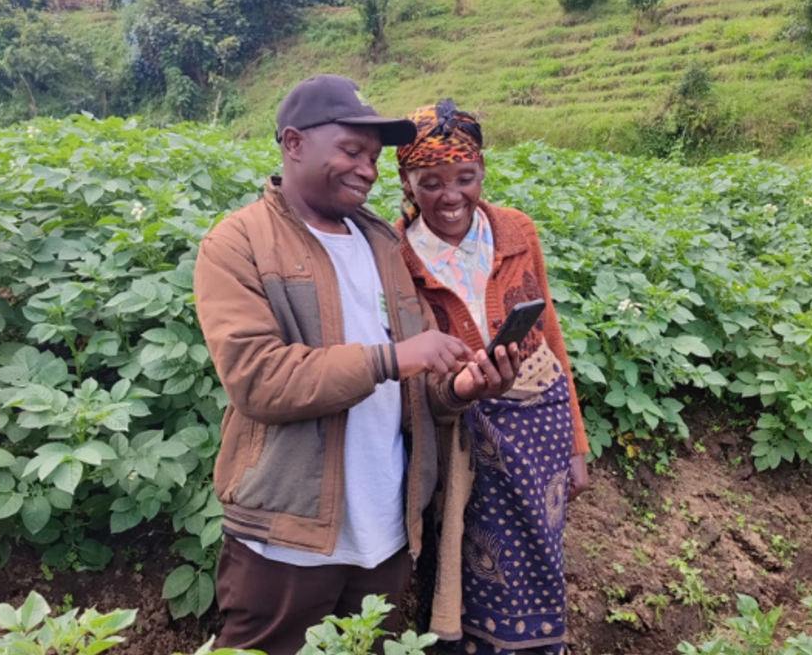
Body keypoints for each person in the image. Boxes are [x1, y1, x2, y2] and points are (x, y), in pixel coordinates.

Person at [192, 75, 526, 655]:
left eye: (373, 157)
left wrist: (462, 388)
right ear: (294, 144)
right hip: (289, 540)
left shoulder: (381, 242)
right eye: (351, 151)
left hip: (387, 533)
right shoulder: (237, 243)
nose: (368, 170)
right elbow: (258, 380)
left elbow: (421, 385)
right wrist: (393, 358)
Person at [394, 101, 591, 655]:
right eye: (430, 182)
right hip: (462, 432)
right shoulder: (397, 255)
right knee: (465, 559)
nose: (451, 196)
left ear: (482, 172)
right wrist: (466, 388)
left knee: (540, 554)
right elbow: (410, 369)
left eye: (465, 177)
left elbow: (550, 335)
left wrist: (576, 442)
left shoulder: (515, 229)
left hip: (541, 427)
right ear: (407, 182)